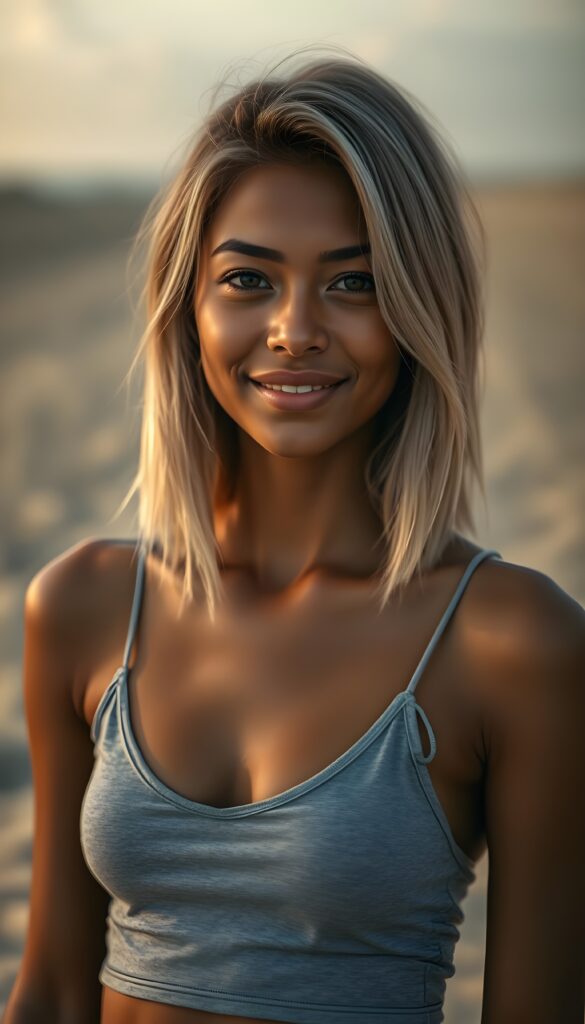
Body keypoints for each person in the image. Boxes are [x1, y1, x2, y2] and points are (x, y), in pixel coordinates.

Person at [4, 46, 585, 1024]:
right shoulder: (83, 605)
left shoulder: (513, 641)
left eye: (354, 283)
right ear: (188, 307)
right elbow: (55, 989)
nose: (293, 329)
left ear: (419, 308)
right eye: (248, 279)